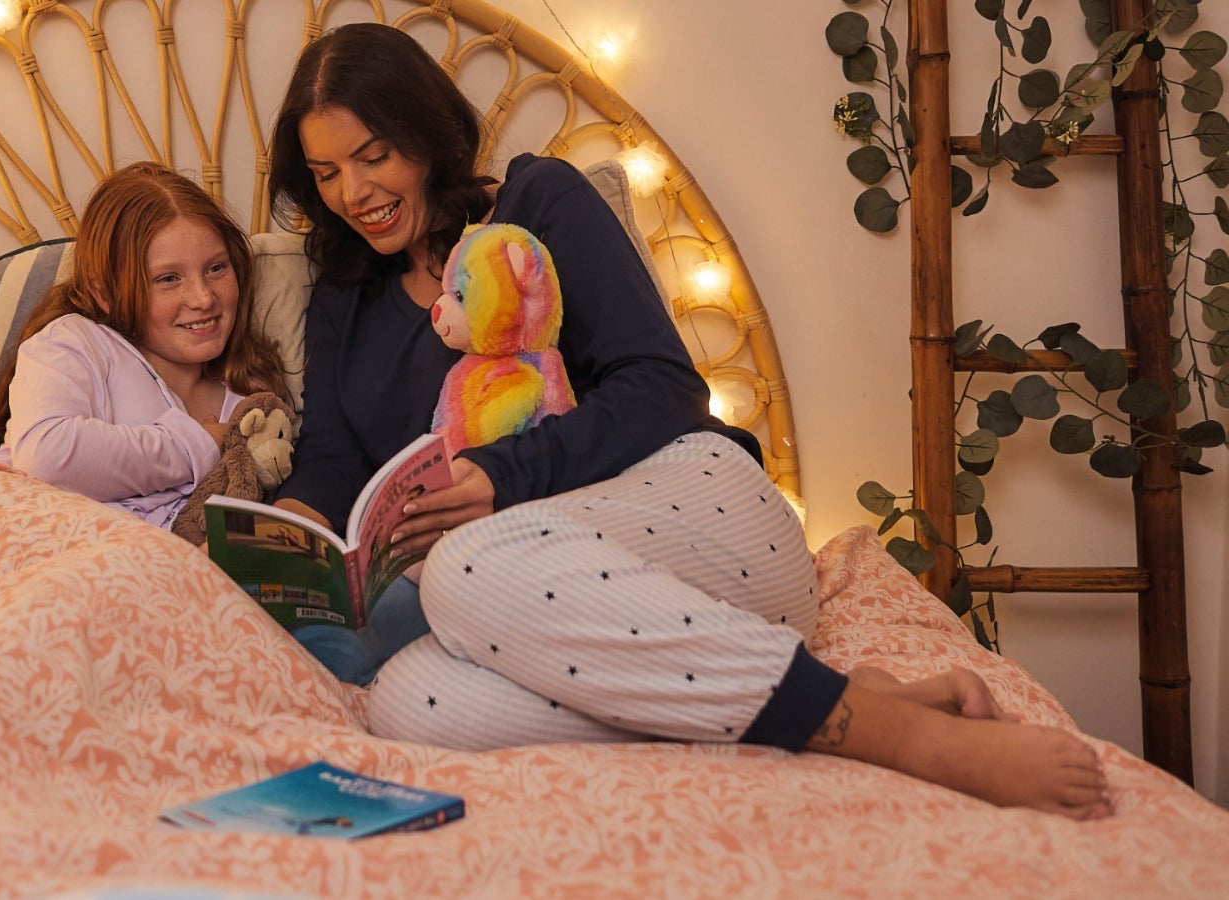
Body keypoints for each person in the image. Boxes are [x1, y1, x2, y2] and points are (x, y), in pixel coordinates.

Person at [263, 22, 1109, 819]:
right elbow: (332, 455)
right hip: (589, 617)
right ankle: (838, 697)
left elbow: (663, 388)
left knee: (462, 570)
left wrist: (501, 476)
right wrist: (284, 532)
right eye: (327, 173)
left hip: (699, 517)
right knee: (411, 703)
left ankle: (907, 739)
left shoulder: (537, 200)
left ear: (426, 134)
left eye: (373, 156)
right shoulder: (343, 287)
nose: (354, 194)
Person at [0, 161, 289, 529]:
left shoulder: (251, 400)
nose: (203, 298)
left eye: (216, 268)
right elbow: (47, 455)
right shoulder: (77, 344)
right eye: (168, 279)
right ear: (105, 294)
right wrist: (198, 443)